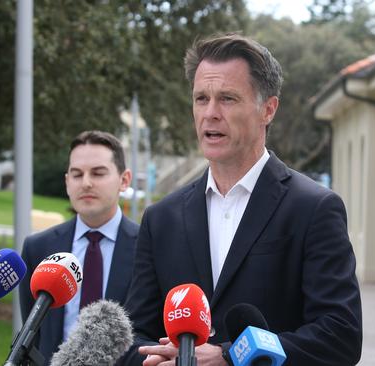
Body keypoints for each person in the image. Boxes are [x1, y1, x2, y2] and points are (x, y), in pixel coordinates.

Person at [121, 33, 362, 366]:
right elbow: (132, 336)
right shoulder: (161, 218)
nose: (210, 113)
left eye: (228, 99)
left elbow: (340, 336)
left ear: (268, 109)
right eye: (201, 98)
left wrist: (231, 355)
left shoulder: (314, 208)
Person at [20, 130, 140, 365]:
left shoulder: (148, 248)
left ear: (124, 180)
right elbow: (32, 335)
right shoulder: (38, 248)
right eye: (77, 174)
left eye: (98, 173)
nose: (86, 183)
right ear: (67, 182)